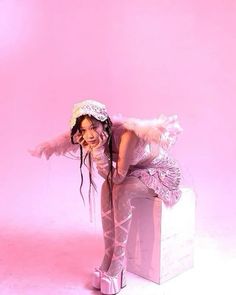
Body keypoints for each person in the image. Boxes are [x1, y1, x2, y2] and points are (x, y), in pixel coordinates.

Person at [30, 99, 182, 294]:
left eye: (93, 127)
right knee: (106, 188)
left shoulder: (127, 134)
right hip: (136, 172)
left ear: (105, 123)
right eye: (84, 130)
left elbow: (118, 178)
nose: (90, 134)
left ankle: (119, 265)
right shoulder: (98, 140)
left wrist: (99, 152)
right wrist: (98, 151)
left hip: (162, 172)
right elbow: (108, 178)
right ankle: (108, 257)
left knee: (121, 190)